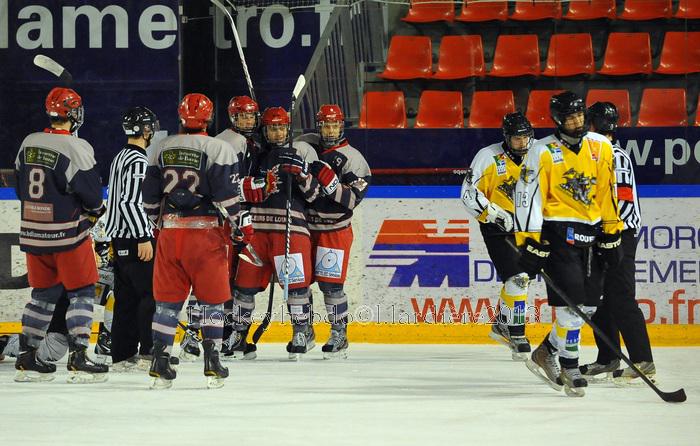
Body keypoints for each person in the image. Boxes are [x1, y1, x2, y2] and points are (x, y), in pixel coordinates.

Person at [514, 91, 623, 397]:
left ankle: (546, 350)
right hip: (557, 234)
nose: (576, 121)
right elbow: (527, 197)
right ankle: (569, 365)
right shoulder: (542, 151)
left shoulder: (601, 146)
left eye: (579, 115)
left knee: (589, 304)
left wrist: (612, 233)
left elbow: (608, 190)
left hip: (592, 233)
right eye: (570, 117)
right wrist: (530, 241)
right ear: (557, 120)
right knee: (571, 303)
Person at [143, 93, 246, 389]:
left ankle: (160, 360)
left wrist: (159, 224)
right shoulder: (219, 148)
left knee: (167, 303)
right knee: (212, 301)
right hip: (205, 237)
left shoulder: (160, 147)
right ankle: (212, 360)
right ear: (209, 118)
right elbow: (228, 197)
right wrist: (240, 227)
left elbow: (149, 198)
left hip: (170, 234)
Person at [13, 87, 109, 383]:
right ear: (74, 114)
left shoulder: (28, 143)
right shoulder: (76, 147)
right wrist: (96, 210)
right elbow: (93, 197)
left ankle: (27, 355)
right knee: (81, 292)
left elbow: (19, 186)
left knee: (42, 296)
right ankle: (79, 356)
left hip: (33, 233)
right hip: (68, 235)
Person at [230, 106, 321, 360]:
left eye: (281, 127)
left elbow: (315, 195)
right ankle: (239, 334)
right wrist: (254, 186)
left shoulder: (302, 152)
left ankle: (302, 332)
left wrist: (303, 175)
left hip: (291, 230)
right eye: (272, 128)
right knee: (244, 287)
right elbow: (237, 189)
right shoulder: (254, 154)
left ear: (288, 129)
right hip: (257, 231)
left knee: (296, 288)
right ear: (265, 130)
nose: (278, 133)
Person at [580, 102, 655, 385]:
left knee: (621, 296)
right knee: (596, 296)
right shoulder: (598, 154)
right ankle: (608, 357)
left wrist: (606, 234)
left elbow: (621, 201)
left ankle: (643, 360)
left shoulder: (613, 155)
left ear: (592, 125)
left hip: (619, 235)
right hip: (604, 234)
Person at [295, 104, 371, 359]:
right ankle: (303, 331)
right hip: (304, 229)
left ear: (341, 126)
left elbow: (351, 201)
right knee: (299, 284)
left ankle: (339, 334)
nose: (329, 130)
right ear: (318, 126)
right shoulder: (306, 145)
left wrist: (330, 181)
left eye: (334, 125)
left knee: (331, 287)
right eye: (325, 125)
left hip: (334, 231)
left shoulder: (354, 159)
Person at [461, 111, 534, 360]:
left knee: (522, 279)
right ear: (506, 137)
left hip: (530, 226)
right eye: (517, 138)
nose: (522, 143)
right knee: (518, 278)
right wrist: (496, 215)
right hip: (498, 229)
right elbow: (469, 194)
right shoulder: (488, 156)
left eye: (525, 137)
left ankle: (502, 322)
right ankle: (517, 333)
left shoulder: (538, 153)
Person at [104, 106, 160, 372]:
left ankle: (122, 355)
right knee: (149, 295)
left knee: (126, 298)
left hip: (119, 240)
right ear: (146, 130)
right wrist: (143, 236)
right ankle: (148, 353)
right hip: (134, 239)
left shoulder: (119, 156)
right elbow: (130, 202)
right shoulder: (138, 160)